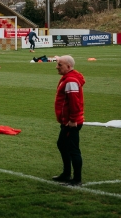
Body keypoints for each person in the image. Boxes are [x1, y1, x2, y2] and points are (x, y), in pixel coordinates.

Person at [52, 55, 85, 186]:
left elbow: (74, 103)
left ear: (68, 66)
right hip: (66, 121)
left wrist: (73, 120)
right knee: (62, 144)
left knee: (73, 149)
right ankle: (66, 174)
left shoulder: (70, 80)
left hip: (71, 122)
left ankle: (76, 179)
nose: (57, 67)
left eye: (60, 65)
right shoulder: (68, 78)